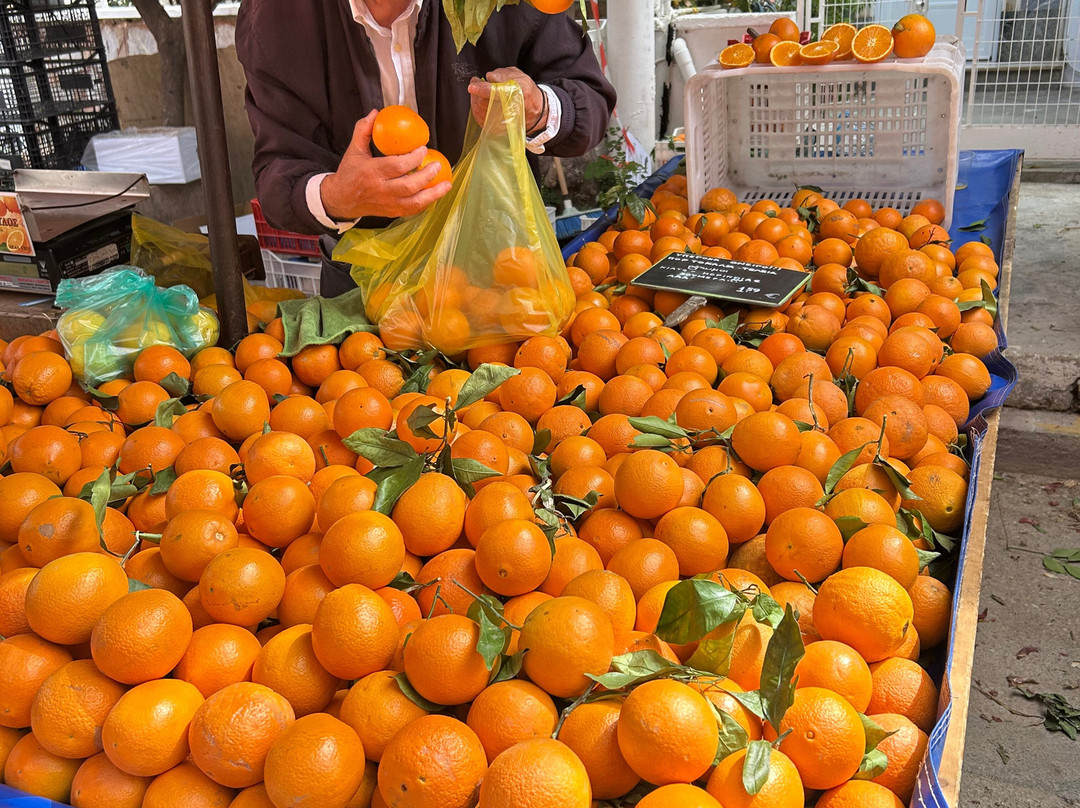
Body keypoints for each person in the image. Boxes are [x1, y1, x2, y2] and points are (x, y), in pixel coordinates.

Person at [236, 0, 616, 297]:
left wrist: (537, 109)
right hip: (363, 287)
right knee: (362, 394)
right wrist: (340, 195)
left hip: (499, 267)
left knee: (514, 395)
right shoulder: (277, 18)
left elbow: (590, 100)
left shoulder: (503, 6)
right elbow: (278, 170)